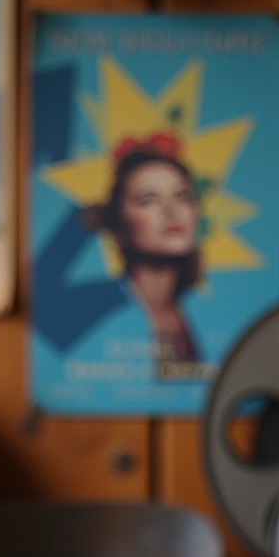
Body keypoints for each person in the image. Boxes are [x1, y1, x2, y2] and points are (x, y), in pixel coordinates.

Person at [89, 133, 203, 377]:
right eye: (148, 200)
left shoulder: (196, 315)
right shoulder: (100, 316)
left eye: (182, 196)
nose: (171, 210)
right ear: (118, 226)